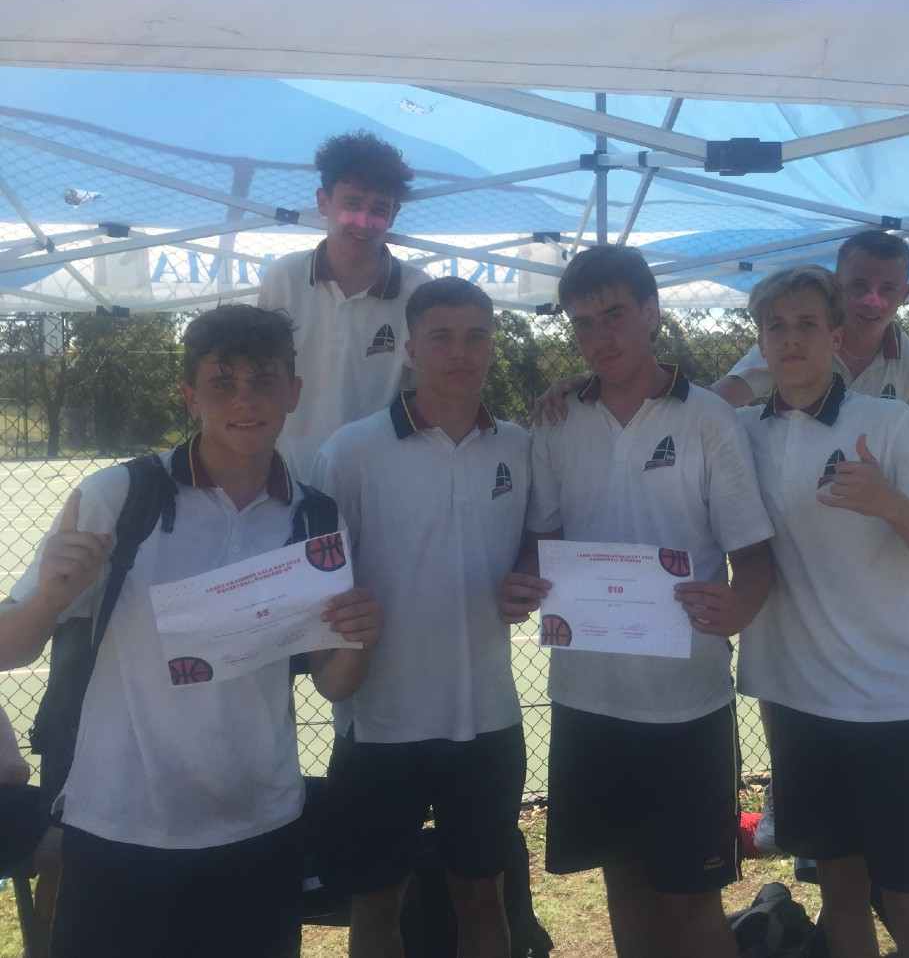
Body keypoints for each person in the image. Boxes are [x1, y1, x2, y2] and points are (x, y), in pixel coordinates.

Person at [0, 305, 382, 958]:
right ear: (189, 395)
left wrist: (359, 638)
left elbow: (335, 683)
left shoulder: (315, 515)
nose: (244, 400)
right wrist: (50, 599)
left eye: (264, 380)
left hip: (259, 824)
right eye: (222, 381)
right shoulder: (118, 497)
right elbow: (11, 648)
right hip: (119, 824)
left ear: (293, 392)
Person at [499, 245, 775, 958]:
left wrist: (738, 608)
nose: (601, 336)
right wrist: (523, 582)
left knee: (693, 901)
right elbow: (544, 538)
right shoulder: (556, 419)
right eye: (583, 323)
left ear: (652, 313)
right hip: (587, 699)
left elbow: (754, 558)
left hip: (687, 702)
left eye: (616, 315)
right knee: (623, 884)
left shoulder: (709, 418)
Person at [735, 266, 909, 958]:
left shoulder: (888, 425)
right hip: (797, 705)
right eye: (776, 327)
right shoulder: (739, 432)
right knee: (839, 894)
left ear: (836, 336)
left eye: (808, 324)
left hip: (889, 704)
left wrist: (887, 502)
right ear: (760, 343)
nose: (791, 339)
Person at [314, 278, 530, 958]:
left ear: (492, 345)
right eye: (441, 337)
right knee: (376, 905)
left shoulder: (520, 446)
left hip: (487, 718)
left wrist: (525, 576)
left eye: (475, 336)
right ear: (411, 349)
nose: (460, 353)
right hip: (381, 723)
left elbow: (537, 538)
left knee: (484, 900)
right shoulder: (351, 450)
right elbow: (321, 580)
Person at [257, 130, 431, 478]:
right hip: (289, 477)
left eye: (379, 209)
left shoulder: (417, 290)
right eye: (352, 204)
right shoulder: (283, 277)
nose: (363, 222)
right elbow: (259, 377)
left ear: (394, 214)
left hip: (378, 480)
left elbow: (425, 391)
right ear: (323, 202)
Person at [713, 231, 909, 423]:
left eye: (888, 289)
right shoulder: (796, 345)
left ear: (904, 294)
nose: (872, 302)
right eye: (859, 285)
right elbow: (718, 401)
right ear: (837, 284)